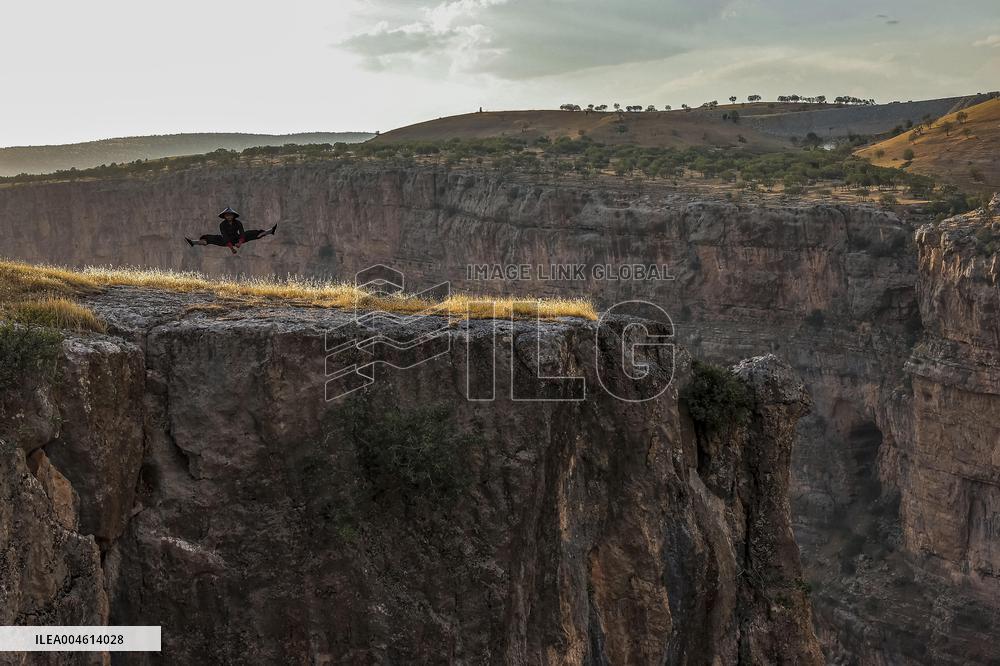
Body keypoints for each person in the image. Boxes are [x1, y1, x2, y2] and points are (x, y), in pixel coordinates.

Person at [186, 207, 277, 254]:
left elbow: (242, 233)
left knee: (254, 233)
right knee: (208, 238)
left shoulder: (238, 223)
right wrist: (232, 248)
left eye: (230, 215)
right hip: (224, 240)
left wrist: (240, 243)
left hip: (237, 238)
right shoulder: (222, 225)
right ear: (224, 216)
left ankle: (270, 231)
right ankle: (193, 242)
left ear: (233, 216)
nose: (229, 216)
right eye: (227, 215)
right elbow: (225, 236)